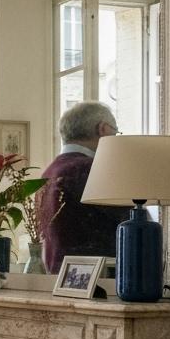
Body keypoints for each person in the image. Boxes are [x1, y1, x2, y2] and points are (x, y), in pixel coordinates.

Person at [38, 101, 129, 272]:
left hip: (59, 274)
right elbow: (129, 219)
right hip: (98, 278)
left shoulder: (49, 172)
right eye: (115, 131)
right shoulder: (90, 169)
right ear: (103, 129)